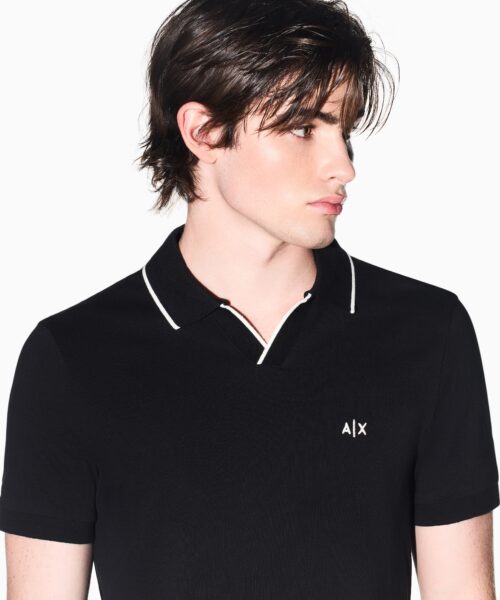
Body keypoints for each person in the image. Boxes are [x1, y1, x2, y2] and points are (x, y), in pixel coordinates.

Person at [1, 0, 498, 598]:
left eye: (343, 131)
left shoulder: (426, 334)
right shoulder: (73, 358)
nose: (343, 166)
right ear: (204, 131)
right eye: (303, 128)